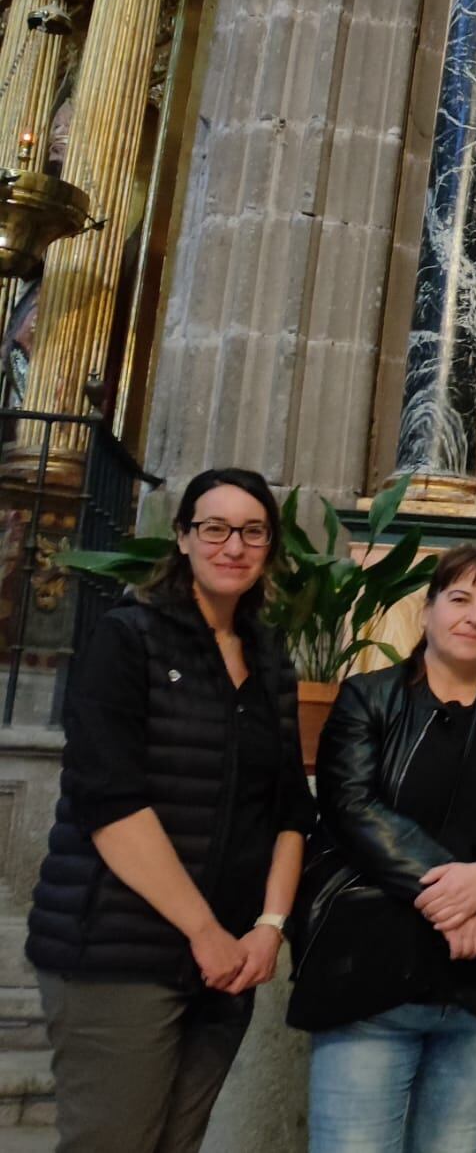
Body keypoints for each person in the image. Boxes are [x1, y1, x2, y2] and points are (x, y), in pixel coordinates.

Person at [27, 467, 316, 1153]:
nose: (233, 546)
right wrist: (205, 931)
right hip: (120, 950)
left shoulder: (270, 659)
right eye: (213, 528)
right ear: (182, 538)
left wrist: (268, 928)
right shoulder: (129, 638)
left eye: (252, 532)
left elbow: (288, 810)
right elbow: (110, 805)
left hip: (230, 964)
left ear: (270, 547)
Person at [291, 544, 476, 1153]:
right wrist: (458, 894)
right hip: (371, 976)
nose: (475, 616)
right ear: (427, 611)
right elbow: (352, 810)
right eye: (459, 599)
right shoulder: (368, 698)